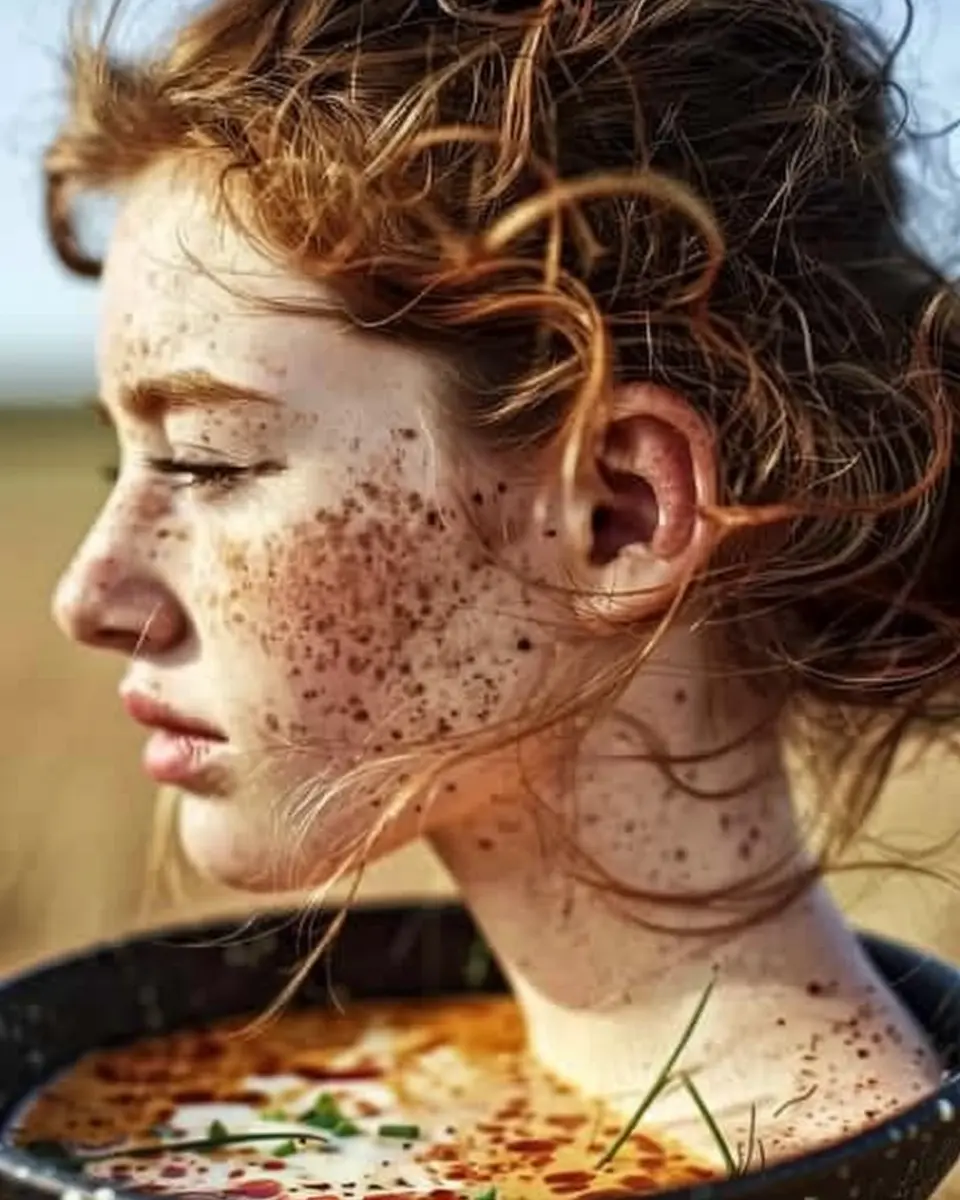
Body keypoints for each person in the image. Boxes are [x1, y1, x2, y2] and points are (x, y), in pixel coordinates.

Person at [46, 0, 960, 1172]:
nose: (91, 592)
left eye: (209, 459)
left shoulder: (787, 1156)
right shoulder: (383, 1096)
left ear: (617, 515)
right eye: (125, 461)